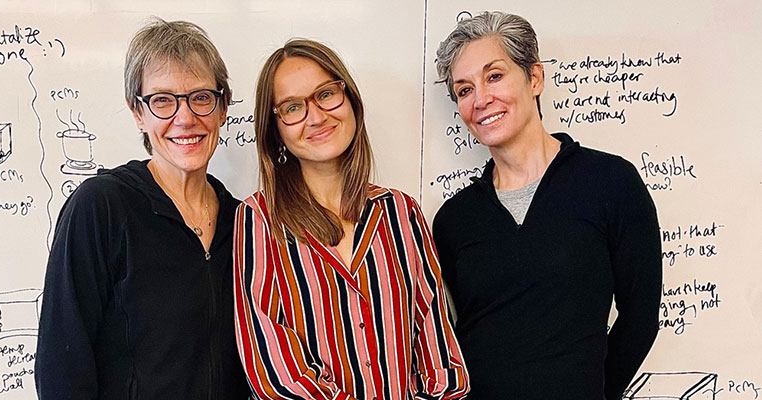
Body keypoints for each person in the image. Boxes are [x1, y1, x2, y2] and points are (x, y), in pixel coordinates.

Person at [432, 11, 662, 400]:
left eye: (494, 76)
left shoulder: (610, 182)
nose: (481, 99)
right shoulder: (454, 220)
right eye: (465, 89)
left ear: (534, 78)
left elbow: (640, 318)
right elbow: (462, 332)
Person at [234, 39, 470, 399]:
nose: (316, 116)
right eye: (292, 107)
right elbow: (275, 376)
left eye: (326, 94)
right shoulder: (259, 221)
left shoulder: (402, 213)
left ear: (350, 100)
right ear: (275, 130)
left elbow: (438, 349)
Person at [35, 18, 250, 399]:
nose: (185, 118)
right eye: (162, 100)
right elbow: (61, 368)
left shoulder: (244, 223)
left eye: (201, 97)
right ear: (138, 113)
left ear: (222, 107)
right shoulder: (101, 208)